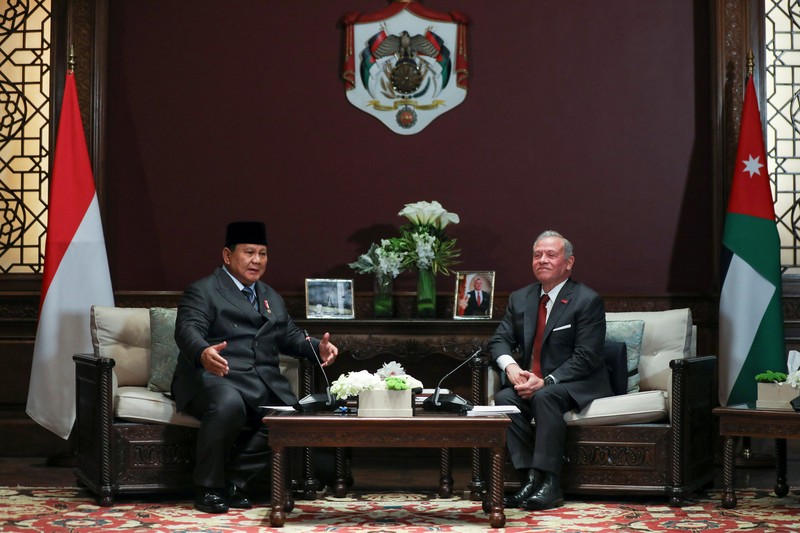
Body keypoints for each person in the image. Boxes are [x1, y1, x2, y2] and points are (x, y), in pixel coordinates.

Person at [171, 221, 339, 514]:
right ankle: (208, 488)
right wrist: (202, 351)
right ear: (227, 255)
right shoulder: (204, 290)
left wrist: (317, 348)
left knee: (290, 414)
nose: (257, 261)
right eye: (249, 253)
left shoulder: (270, 296)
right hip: (213, 375)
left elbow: (288, 336)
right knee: (228, 404)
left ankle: (236, 481)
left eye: (262, 254)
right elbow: (187, 329)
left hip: (259, 380)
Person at [488, 230, 612, 511]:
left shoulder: (586, 300)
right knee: (506, 399)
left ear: (569, 262)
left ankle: (551, 484)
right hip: (535, 380)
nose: (542, 260)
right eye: (537, 255)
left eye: (551, 255)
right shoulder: (521, 298)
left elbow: (587, 356)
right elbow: (499, 340)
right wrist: (511, 367)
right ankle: (529, 478)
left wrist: (547, 381)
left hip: (579, 381)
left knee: (546, 396)